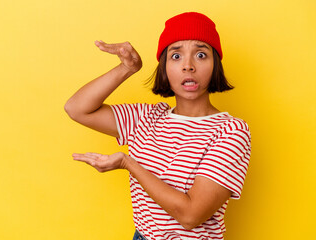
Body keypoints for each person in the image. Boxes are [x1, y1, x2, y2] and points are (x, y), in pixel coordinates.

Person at [64, 12, 251, 240]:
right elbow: (76, 108)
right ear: (164, 67)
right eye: (176, 56)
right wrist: (128, 69)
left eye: (201, 54)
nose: (188, 66)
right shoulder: (147, 117)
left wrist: (128, 163)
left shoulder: (231, 131)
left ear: (215, 66)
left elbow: (191, 216)